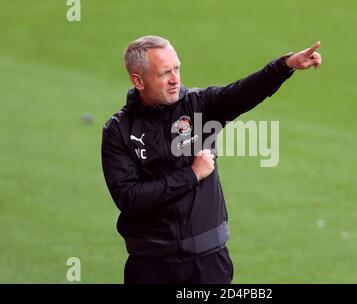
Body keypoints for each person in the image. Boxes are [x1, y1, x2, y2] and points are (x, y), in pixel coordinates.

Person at [101, 35, 322, 284]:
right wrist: (192, 174)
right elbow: (130, 198)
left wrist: (286, 65)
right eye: (164, 73)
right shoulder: (118, 131)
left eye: (177, 68)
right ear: (138, 80)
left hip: (208, 265)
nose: (175, 79)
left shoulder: (199, 106)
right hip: (150, 266)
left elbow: (243, 92)